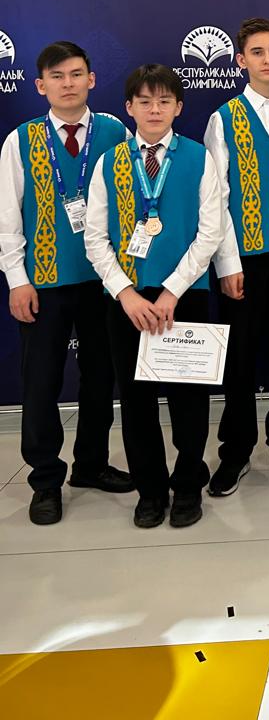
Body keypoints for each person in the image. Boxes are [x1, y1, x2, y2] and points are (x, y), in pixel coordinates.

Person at [85, 64, 223, 529]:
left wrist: (171, 291)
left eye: (164, 101)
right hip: (128, 300)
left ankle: (187, 485)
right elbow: (95, 237)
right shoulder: (110, 162)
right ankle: (150, 490)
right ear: (129, 107)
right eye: (144, 101)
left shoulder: (200, 158)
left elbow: (210, 232)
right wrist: (125, 293)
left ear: (179, 107)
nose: (155, 109)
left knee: (189, 400)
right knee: (136, 400)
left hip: (183, 295)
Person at [0, 41, 132, 525]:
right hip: (45, 283)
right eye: (57, 76)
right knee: (41, 382)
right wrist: (17, 279)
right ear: (40, 85)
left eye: (77, 74)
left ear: (92, 79)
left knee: (101, 377)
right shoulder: (20, 141)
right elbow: (7, 219)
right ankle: (45, 480)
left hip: (105, 281)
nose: (68, 83)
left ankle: (91, 465)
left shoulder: (116, 132)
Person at [203, 17, 269, 496]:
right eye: (257, 52)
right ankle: (236, 450)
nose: (266, 59)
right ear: (240, 60)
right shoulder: (223, 118)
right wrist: (227, 264)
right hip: (241, 263)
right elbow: (215, 198)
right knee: (240, 362)